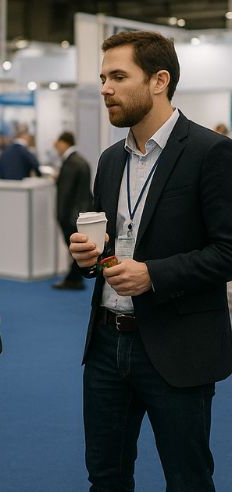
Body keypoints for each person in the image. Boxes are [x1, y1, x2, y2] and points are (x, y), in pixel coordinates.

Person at [68, 30, 232, 491]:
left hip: (177, 347)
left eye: (118, 76)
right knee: (105, 477)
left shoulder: (210, 153)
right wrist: (86, 255)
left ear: (159, 80)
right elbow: (105, 248)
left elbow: (228, 251)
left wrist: (153, 275)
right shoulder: (108, 161)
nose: (105, 88)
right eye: (102, 77)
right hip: (104, 345)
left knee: (187, 479)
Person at [53, 131, 92, 290]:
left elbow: (66, 192)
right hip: (80, 212)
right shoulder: (80, 160)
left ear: (64, 143)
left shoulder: (71, 162)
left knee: (76, 250)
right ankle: (74, 278)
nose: (56, 147)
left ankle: (73, 279)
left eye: (57, 144)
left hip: (71, 215)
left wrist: (60, 215)